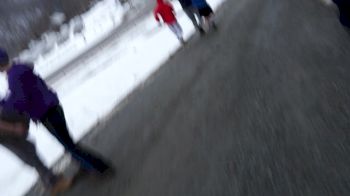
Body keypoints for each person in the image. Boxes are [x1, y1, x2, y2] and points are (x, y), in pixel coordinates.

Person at [0, 48, 113, 193]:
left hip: (47, 114)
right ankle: (84, 166)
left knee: (70, 146)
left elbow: (19, 101)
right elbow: (18, 95)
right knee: (68, 144)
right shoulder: (19, 67)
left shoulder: (13, 77)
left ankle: (101, 167)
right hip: (52, 107)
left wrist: (3, 105)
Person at [0, 107, 71, 195]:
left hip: (7, 127)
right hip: (6, 132)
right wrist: (13, 127)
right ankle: (53, 182)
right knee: (29, 153)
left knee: (29, 150)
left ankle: (49, 181)